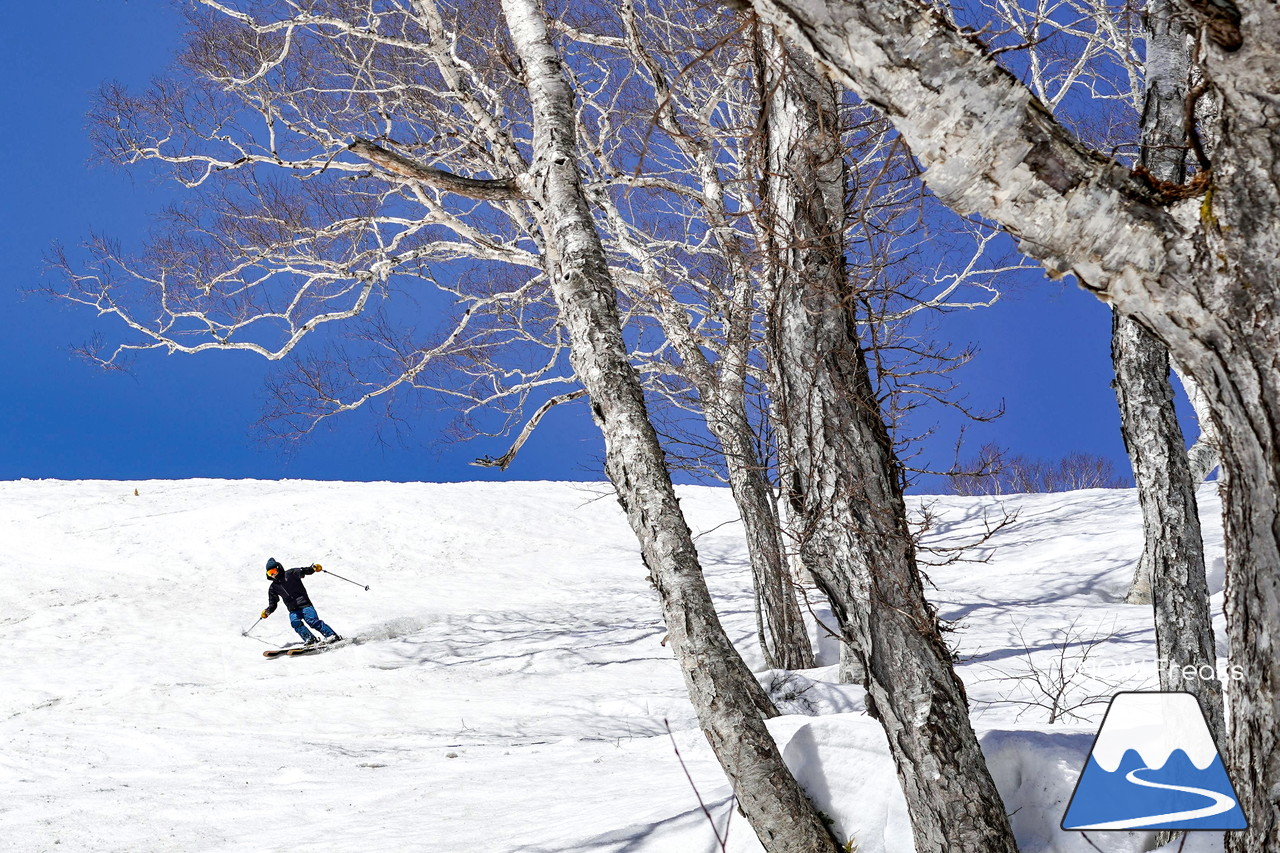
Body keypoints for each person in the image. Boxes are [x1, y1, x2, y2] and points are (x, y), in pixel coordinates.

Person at [261, 558, 342, 646]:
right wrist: (268, 611)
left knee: (312, 621)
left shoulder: (291, 574)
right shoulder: (273, 587)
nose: (273, 575)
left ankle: (332, 636)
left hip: (305, 605)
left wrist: (313, 569)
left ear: (278, 568)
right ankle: (310, 639)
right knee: (295, 623)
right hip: (293, 610)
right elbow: (273, 603)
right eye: (270, 573)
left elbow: (303, 571)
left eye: (273, 571)